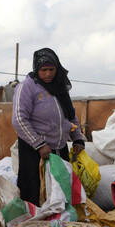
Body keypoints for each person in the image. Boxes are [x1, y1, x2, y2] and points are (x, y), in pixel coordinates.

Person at [12, 47, 86, 206]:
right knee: (35, 191)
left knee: (61, 190)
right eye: (43, 70)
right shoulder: (26, 87)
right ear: (36, 69)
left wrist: (78, 138)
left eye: (51, 69)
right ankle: (34, 223)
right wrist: (39, 144)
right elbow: (19, 119)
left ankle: (60, 223)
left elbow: (70, 115)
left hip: (60, 148)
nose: (48, 74)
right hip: (35, 151)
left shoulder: (60, 87)